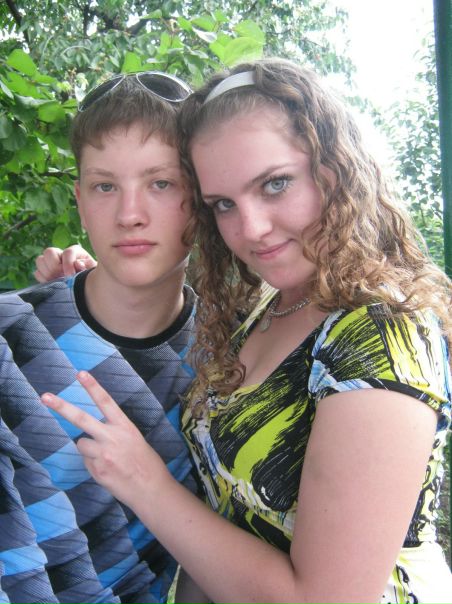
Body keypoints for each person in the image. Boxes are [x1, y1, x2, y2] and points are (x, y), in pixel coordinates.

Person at [40, 58, 452, 604]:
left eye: (275, 184)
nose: (251, 228)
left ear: (334, 170)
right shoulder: (269, 307)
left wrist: (146, 484)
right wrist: (94, 287)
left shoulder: (380, 337)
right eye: (224, 204)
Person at [0, 71, 198, 604]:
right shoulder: (9, 332)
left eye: (161, 183)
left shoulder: (231, 362)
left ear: (202, 195)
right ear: (80, 201)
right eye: (105, 186)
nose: (129, 215)